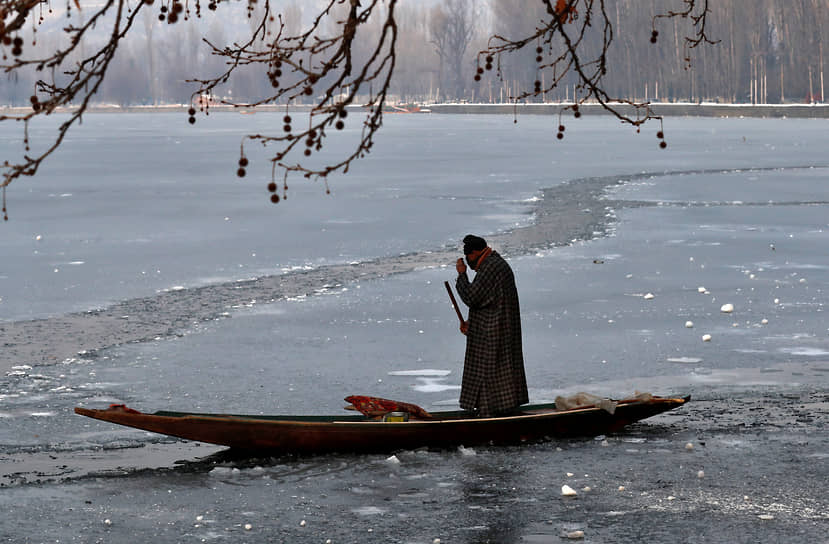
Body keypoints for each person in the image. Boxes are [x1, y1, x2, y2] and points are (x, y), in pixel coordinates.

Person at [455, 234, 529, 417]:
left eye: (469, 257)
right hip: (497, 328)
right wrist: (472, 325)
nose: (469, 262)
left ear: (476, 252)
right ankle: (495, 410)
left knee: (488, 372)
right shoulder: (494, 264)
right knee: (496, 370)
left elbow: (473, 297)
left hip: (495, 333)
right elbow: (490, 302)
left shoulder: (491, 267)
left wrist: (462, 275)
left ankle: (491, 413)